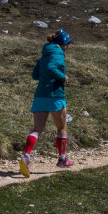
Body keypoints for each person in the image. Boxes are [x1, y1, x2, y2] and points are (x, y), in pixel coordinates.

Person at [20, 28, 74, 176]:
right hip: (55, 95)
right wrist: (63, 77)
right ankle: (62, 159)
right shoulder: (58, 53)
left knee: (37, 129)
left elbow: (35, 74)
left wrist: (45, 78)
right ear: (63, 43)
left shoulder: (43, 55)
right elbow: (51, 68)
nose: (67, 47)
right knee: (61, 127)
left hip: (40, 95)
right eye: (67, 44)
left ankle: (26, 157)